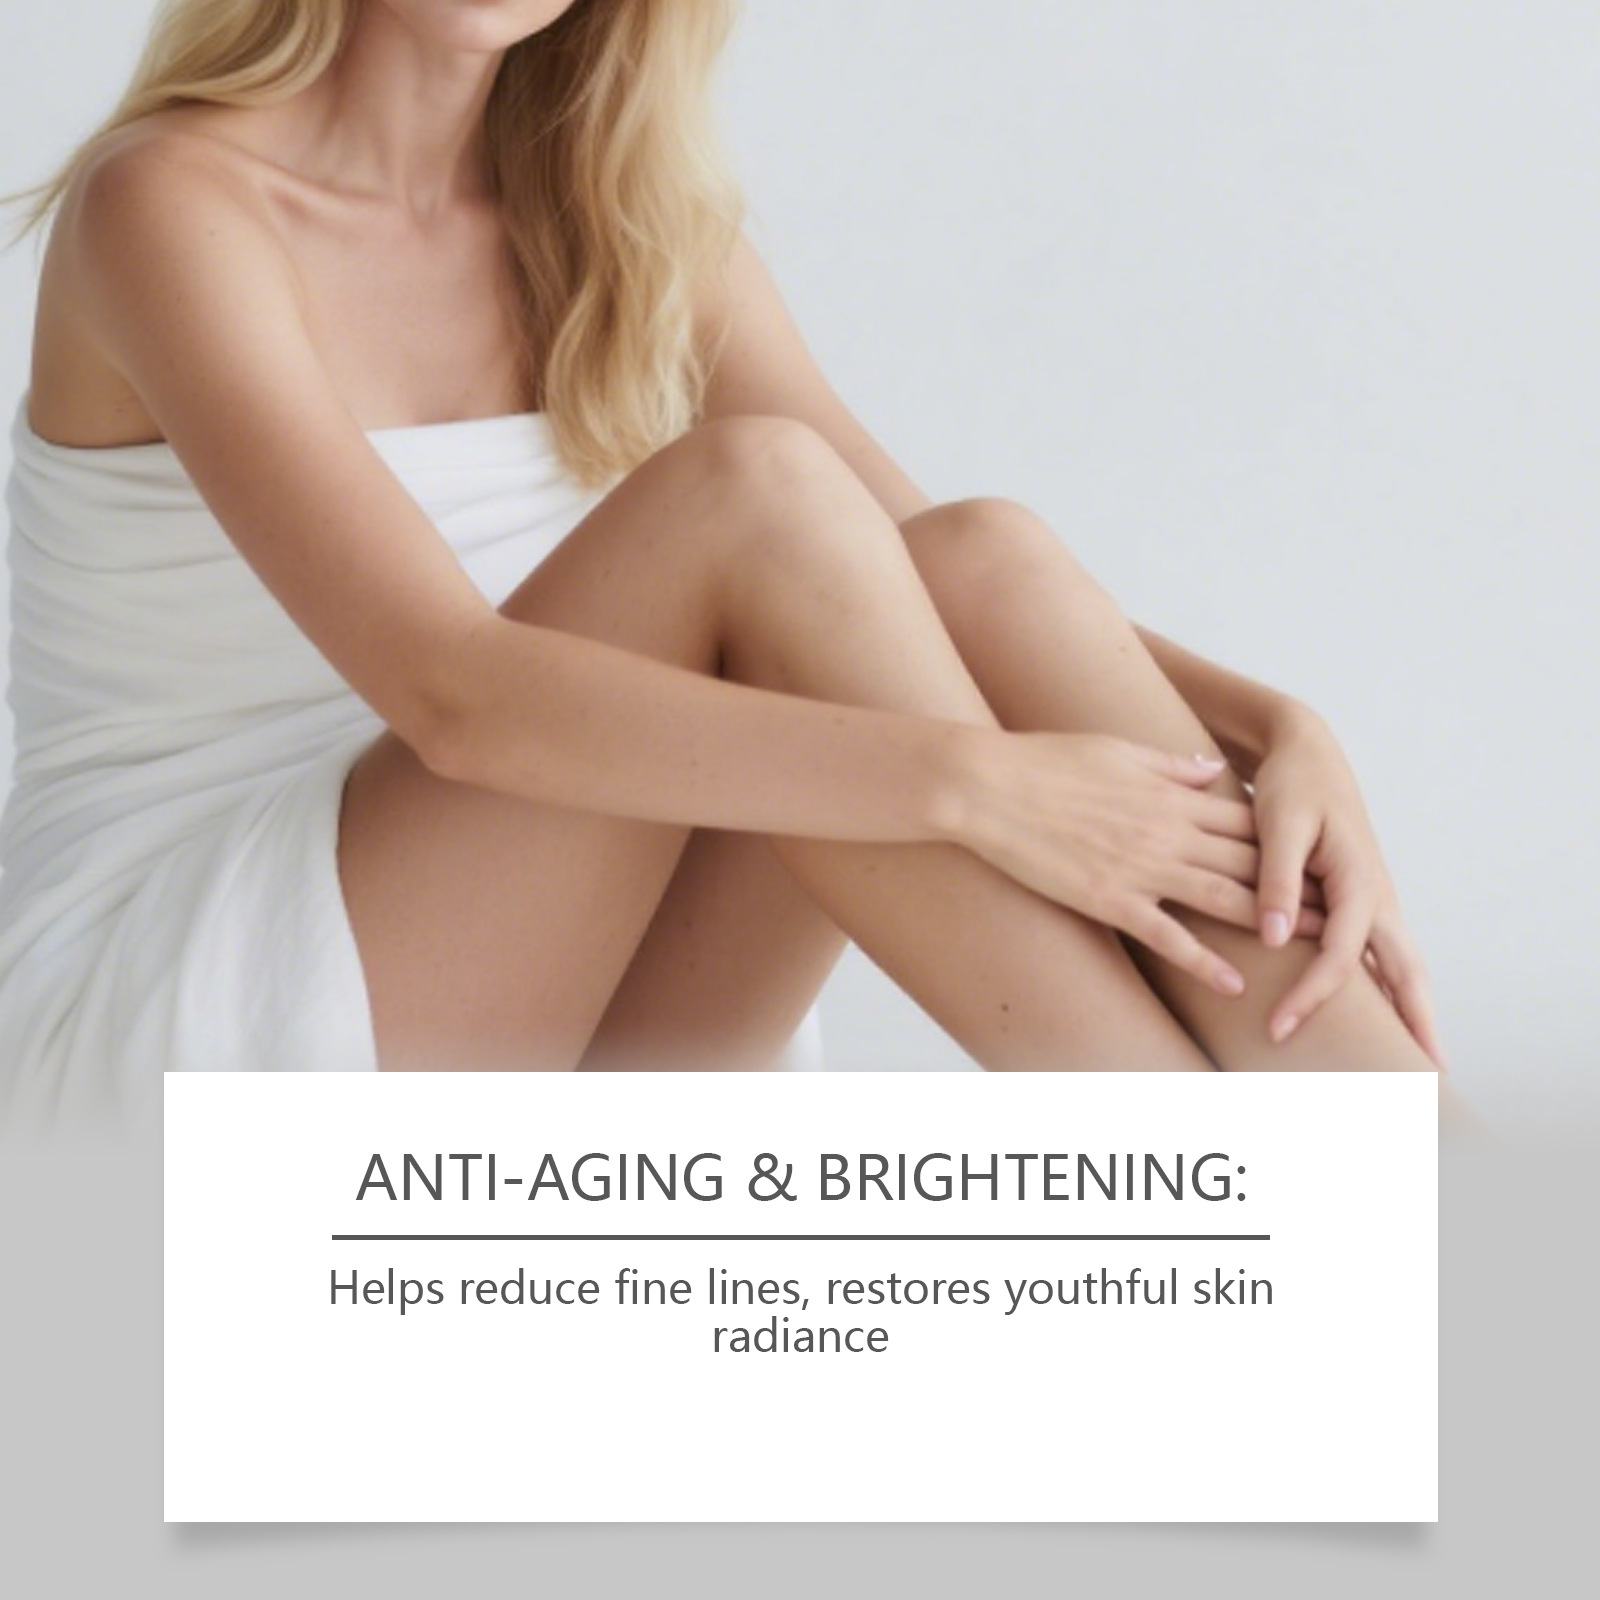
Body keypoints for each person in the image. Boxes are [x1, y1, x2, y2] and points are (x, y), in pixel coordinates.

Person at [0, 0, 1446, 1107]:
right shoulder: (169, 206)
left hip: (545, 997)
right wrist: (977, 789)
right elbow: (454, 698)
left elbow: (936, 576)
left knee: (981, 553)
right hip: (195, 1008)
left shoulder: (622, 231)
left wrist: (1276, 729)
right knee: (757, 499)